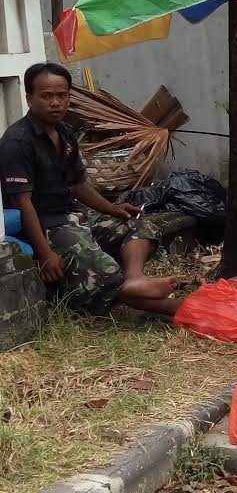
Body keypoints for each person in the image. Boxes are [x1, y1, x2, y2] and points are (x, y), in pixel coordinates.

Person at [0, 62, 181, 316]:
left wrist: (113, 209)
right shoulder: (16, 143)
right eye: (47, 96)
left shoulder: (65, 133)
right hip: (46, 226)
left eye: (62, 95)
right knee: (104, 275)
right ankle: (181, 308)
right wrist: (45, 253)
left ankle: (135, 279)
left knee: (136, 225)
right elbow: (23, 205)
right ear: (30, 99)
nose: (56, 103)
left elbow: (78, 184)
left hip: (74, 216)